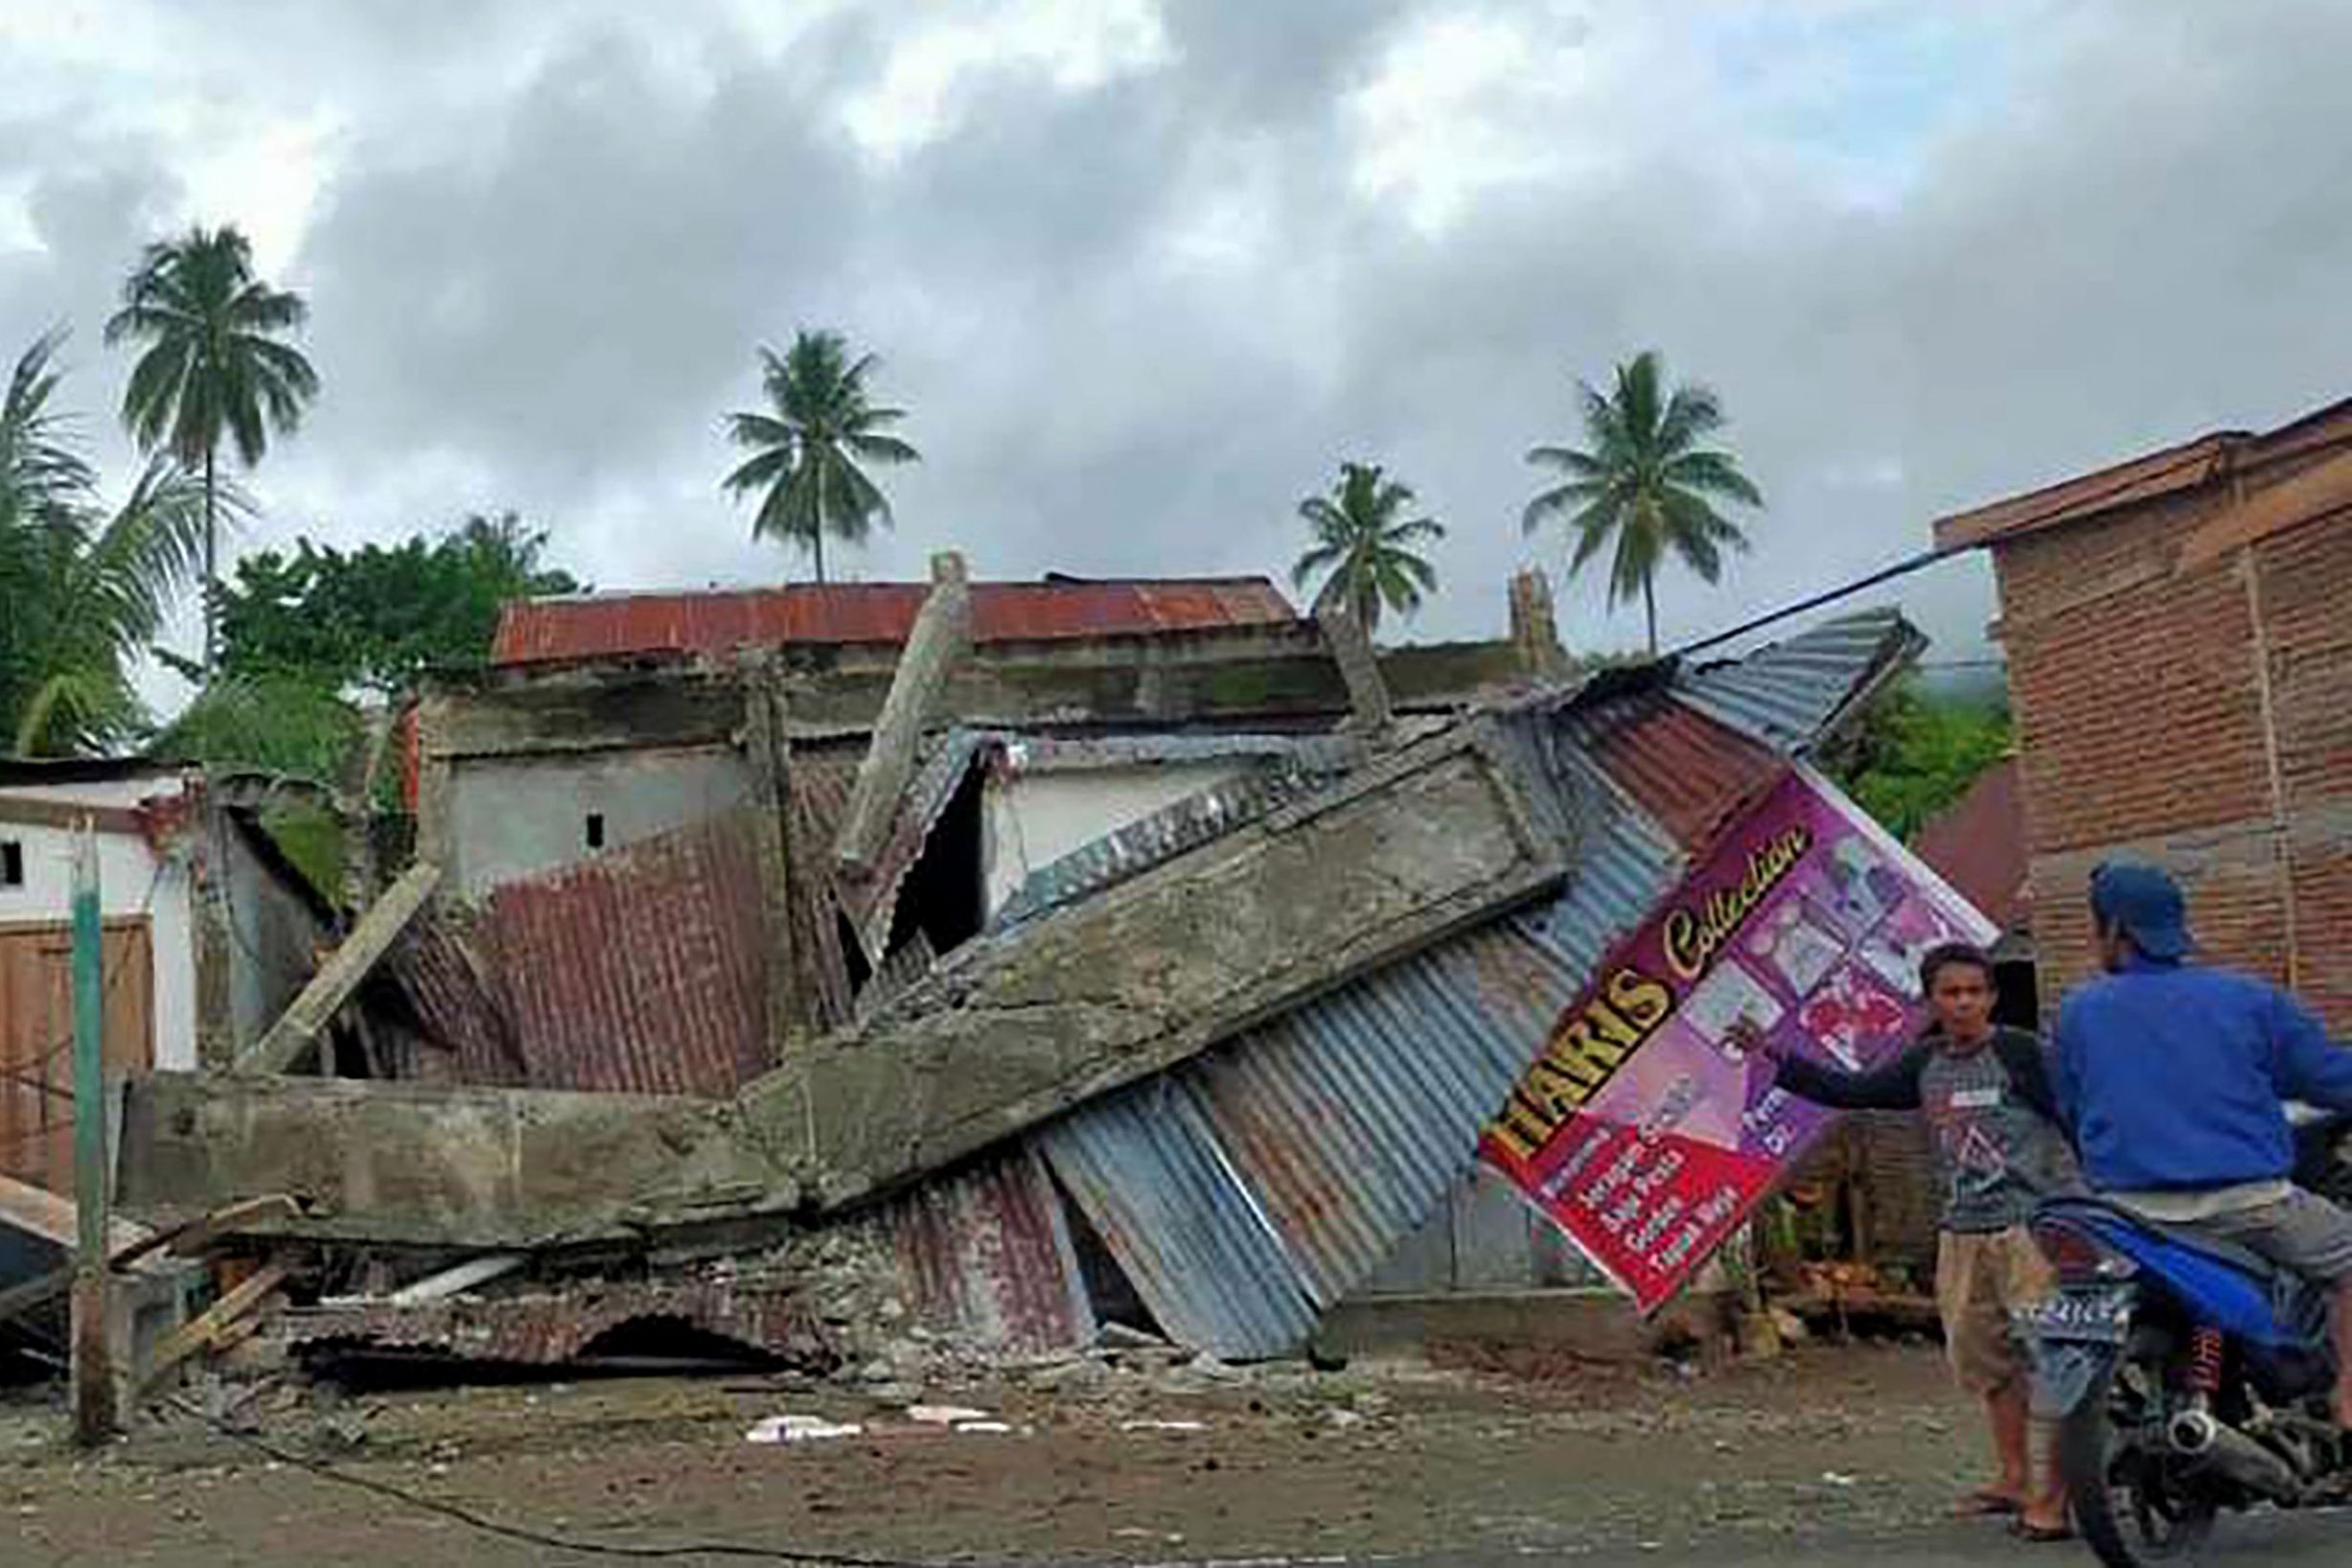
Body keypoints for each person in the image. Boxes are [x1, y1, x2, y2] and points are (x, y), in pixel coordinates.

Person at [1735, 941, 2076, 1542]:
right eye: (1951, 993)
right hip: (1962, 1234)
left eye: (1975, 992)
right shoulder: (1925, 1065)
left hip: (2030, 1230)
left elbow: (2075, 1116)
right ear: (1932, 1002)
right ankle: (2014, 1478)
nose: (1964, 1003)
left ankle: (2059, 1495)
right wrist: (1775, 1056)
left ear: (1992, 998)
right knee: (1988, 1363)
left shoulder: (2021, 1054)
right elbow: (1853, 1092)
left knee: (2059, 1361)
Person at [2051, 861, 2352, 1428]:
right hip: (2247, 1207)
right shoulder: (2249, 1000)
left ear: (2113, 930)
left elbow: (2069, 1108)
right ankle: (2349, 1403)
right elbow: (2330, 1079)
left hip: (2127, 1217)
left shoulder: (2078, 1011)